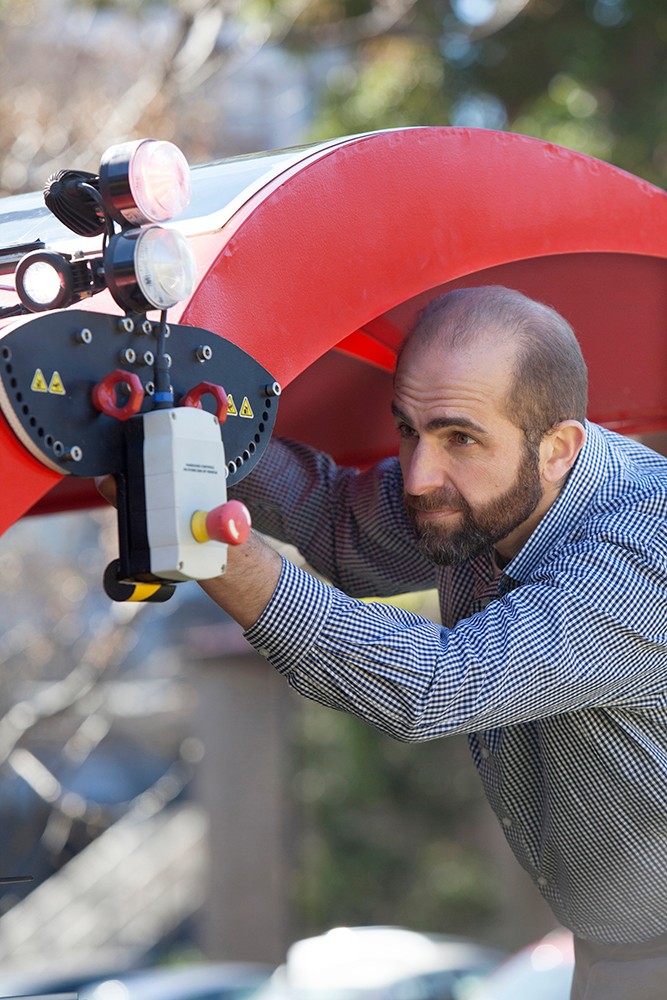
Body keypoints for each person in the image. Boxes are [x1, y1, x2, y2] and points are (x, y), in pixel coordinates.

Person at [196, 285, 666, 997]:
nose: (419, 477)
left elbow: (437, 684)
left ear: (558, 448)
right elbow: (337, 524)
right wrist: (185, 435)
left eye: (457, 439)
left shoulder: (643, 544)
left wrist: (210, 544)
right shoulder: (493, 492)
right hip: (609, 952)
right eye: (407, 430)